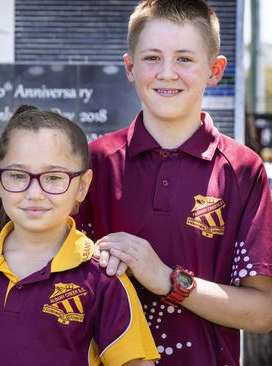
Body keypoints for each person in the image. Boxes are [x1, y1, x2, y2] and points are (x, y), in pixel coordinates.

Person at [75, 1, 272, 365]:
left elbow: (262, 312)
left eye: (184, 59)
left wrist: (166, 279)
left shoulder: (243, 170)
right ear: (130, 67)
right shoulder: (93, 163)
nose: (167, 73)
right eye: (152, 58)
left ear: (215, 70)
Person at [0, 105, 159, 366]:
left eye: (53, 178)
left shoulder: (103, 279)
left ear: (82, 186)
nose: (35, 193)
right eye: (17, 175)